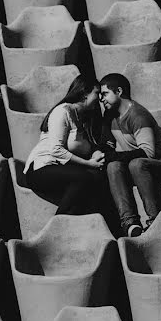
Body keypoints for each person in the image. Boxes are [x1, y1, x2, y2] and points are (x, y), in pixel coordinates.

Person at [98, 73, 161, 237]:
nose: (101, 99)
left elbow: (148, 153)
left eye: (105, 94)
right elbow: (108, 145)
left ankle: (154, 221)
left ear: (119, 91)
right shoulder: (110, 115)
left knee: (137, 164)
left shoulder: (137, 115)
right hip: (140, 167)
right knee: (113, 166)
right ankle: (130, 223)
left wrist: (112, 156)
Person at [23, 74, 109, 216]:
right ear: (84, 93)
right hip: (41, 168)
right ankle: (59, 225)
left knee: (98, 179)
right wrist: (88, 163)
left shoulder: (82, 118)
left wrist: (96, 155)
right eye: (97, 93)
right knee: (84, 178)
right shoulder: (63, 111)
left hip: (62, 169)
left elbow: (88, 147)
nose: (99, 98)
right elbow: (56, 150)